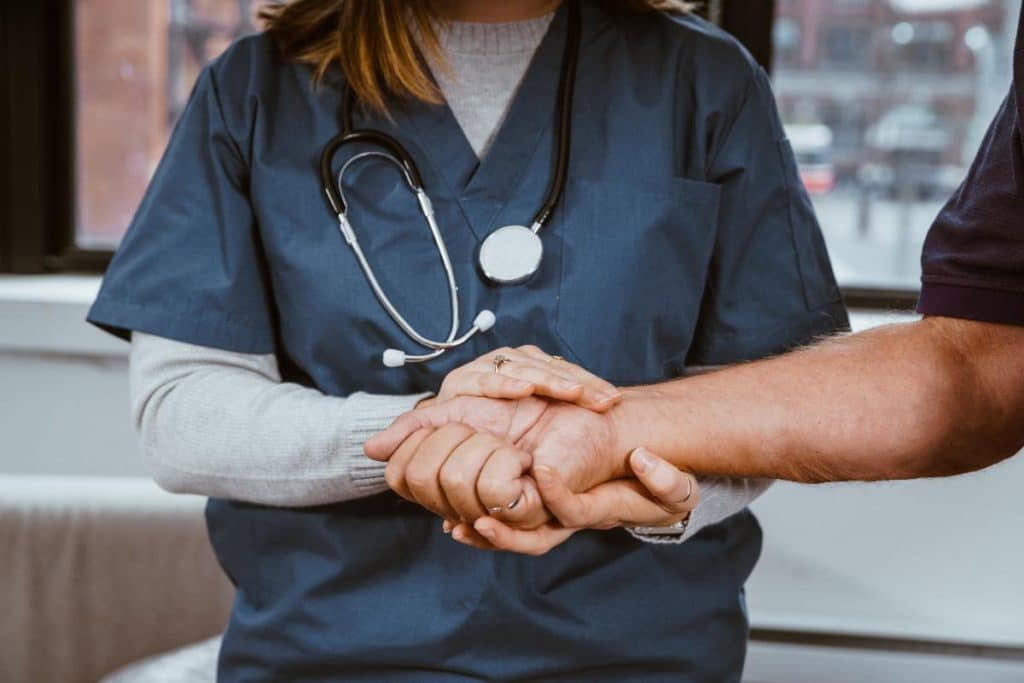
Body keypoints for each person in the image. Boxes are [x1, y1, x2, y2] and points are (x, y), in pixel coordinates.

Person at [88, 0, 847, 679]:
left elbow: (767, 406)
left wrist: (640, 490)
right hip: (333, 650)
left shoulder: (703, 80)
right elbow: (180, 411)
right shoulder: (257, 87)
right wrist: (416, 436)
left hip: (636, 650)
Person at [370, 1, 1024, 557]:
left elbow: (783, 385)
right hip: (318, 624)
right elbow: (976, 365)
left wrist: (628, 457)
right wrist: (429, 429)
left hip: (632, 632)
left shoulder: (705, 80)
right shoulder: (266, 89)